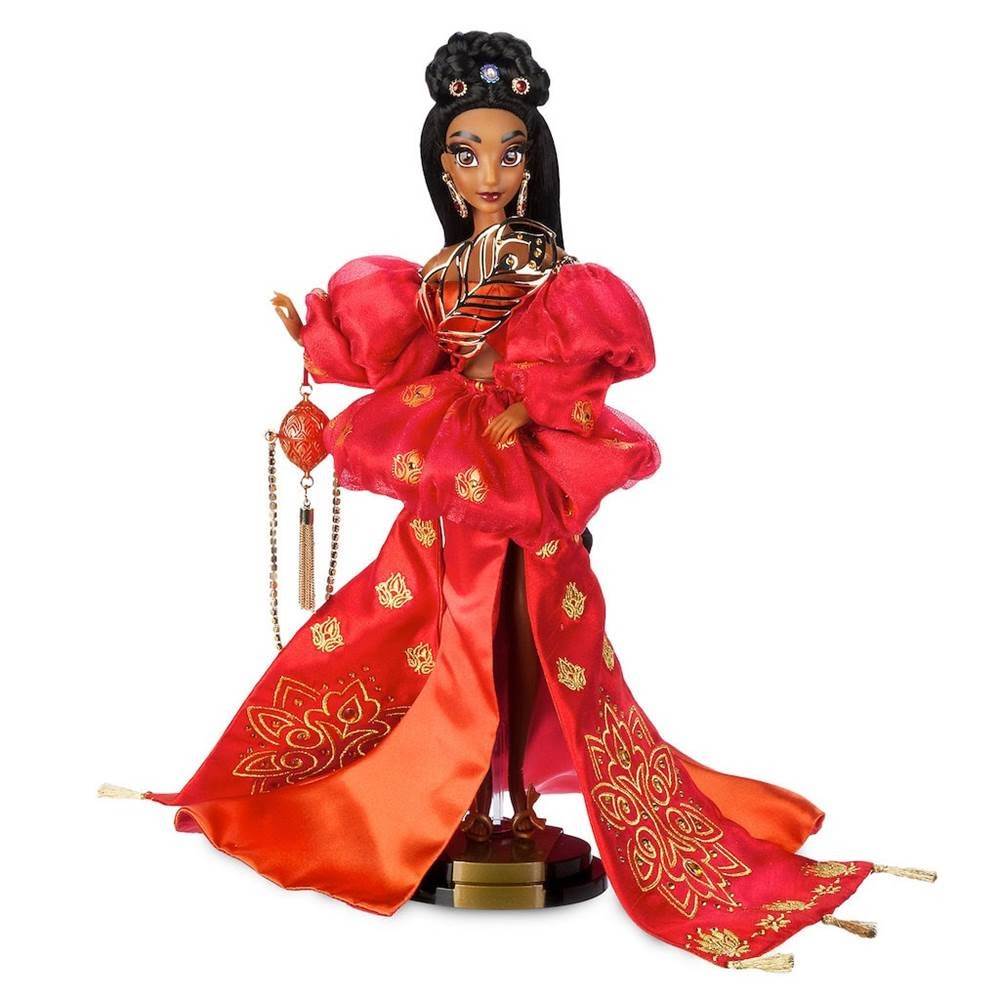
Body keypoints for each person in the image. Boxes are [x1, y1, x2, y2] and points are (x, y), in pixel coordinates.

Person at [100, 30, 934, 971]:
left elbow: (582, 369)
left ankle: (523, 801)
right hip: (452, 477)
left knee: (537, 640)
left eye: (509, 152)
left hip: (522, 473)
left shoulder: (553, 272)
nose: (489, 172)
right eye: (468, 154)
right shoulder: (432, 275)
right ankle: (448, 796)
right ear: (442, 165)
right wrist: (319, 344)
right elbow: (401, 358)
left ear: (534, 161)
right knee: (423, 628)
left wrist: (528, 399)